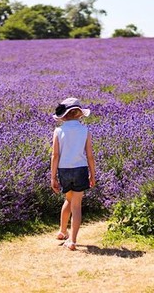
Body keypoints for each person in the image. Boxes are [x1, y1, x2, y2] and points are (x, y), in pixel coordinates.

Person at [50, 97, 96, 251]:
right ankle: (73, 241)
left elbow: (55, 155)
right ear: (79, 114)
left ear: (64, 115)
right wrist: (93, 175)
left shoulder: (58, 131)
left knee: (68, 200)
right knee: (76, 205)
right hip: (80, 169)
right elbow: (90, 155)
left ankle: (62, 231)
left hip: (64, 170)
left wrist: (53, 177)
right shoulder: (85, 130)